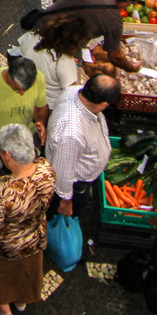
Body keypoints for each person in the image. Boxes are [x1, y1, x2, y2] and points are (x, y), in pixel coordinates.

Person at [0, 122, 57, 315]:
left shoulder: (3, 189)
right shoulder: (45, 168)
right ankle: (21, 301)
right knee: (28, 273)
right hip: (35, 238)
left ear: (7, 155)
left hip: (8, 248)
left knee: (4, 280)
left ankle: (2, 310)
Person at [46, 73, 119, 259]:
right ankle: (54, 245)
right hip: (75, 185)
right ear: (103, 104)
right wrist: (65, 201)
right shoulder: (72, 132)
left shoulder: (73, 91)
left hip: (77, 174)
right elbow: (63, 171)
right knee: (61, 214)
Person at [28, 0, 140, 77]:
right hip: (64, 48)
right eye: (130, 3)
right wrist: (131, 67)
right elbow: (115, 56)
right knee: (50, 73)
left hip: (42, 27)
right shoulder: (114, 21)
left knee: (30, 58)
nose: (127, 6)